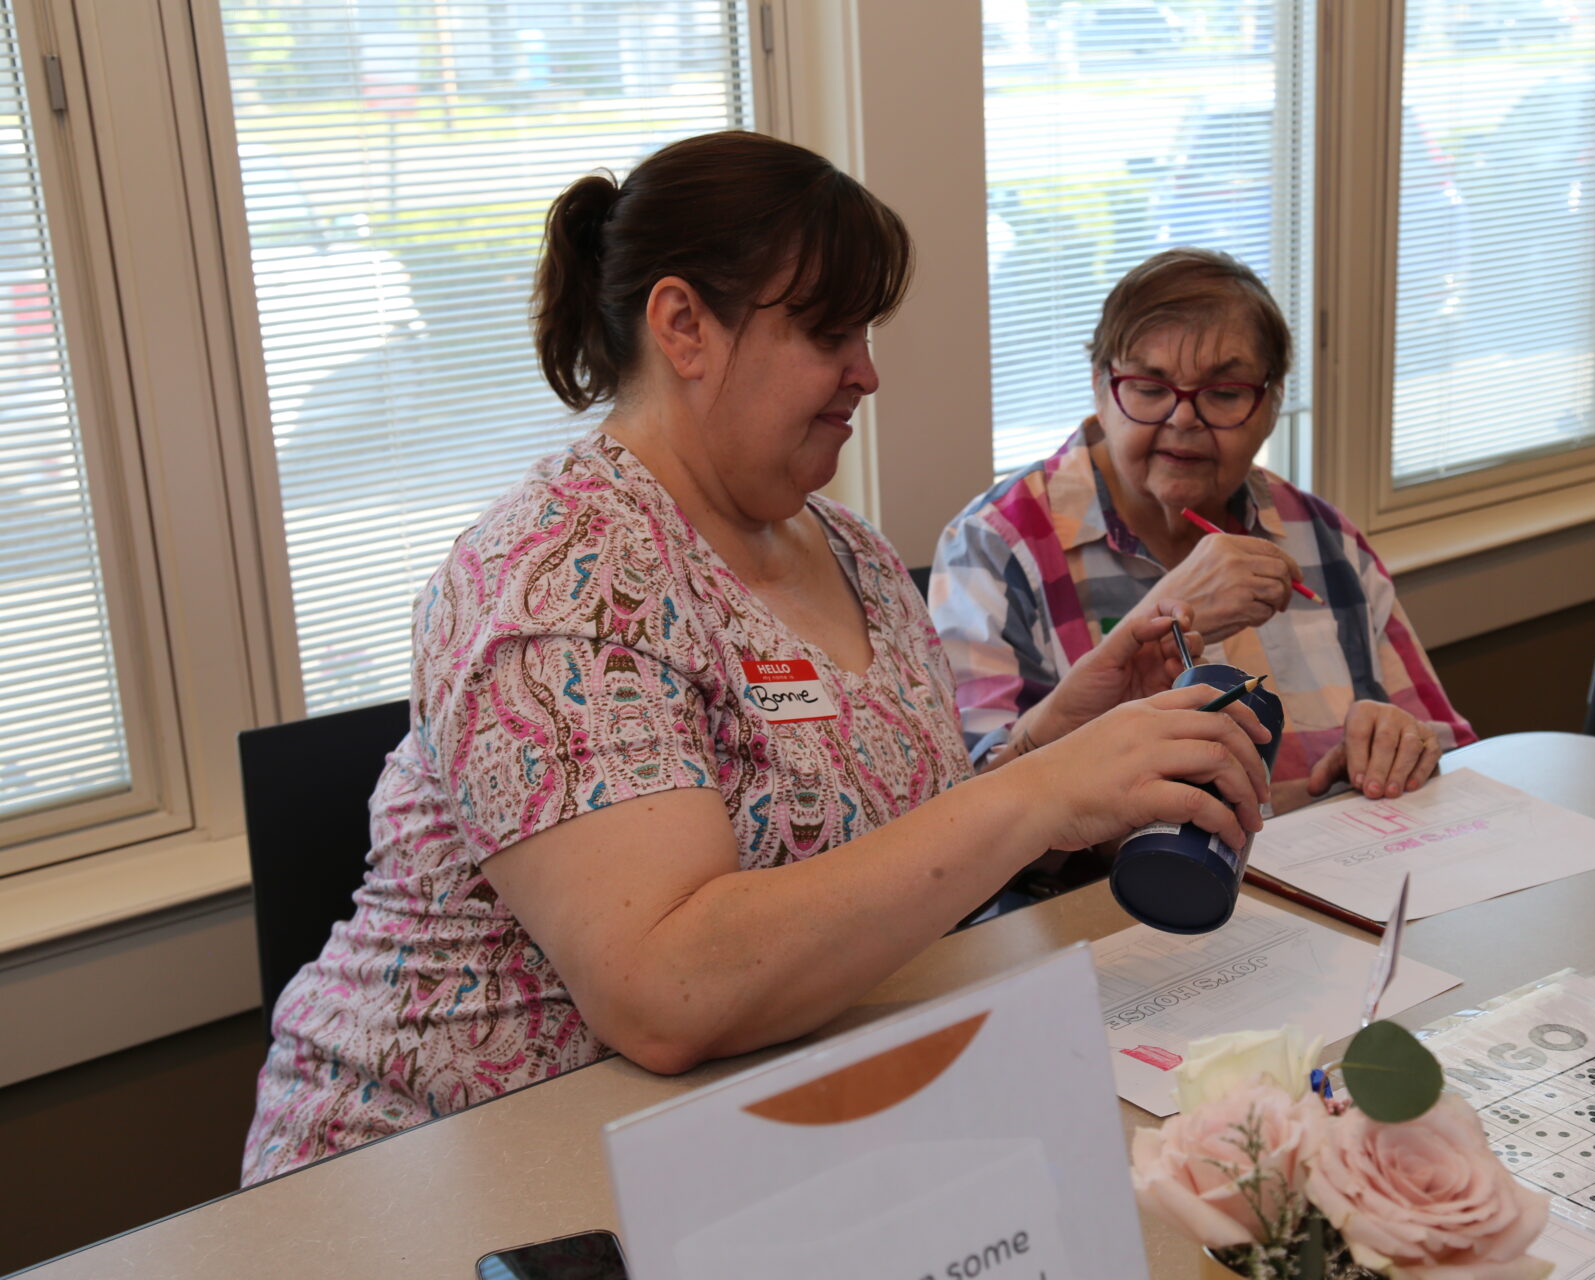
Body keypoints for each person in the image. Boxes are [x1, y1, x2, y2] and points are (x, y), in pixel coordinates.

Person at [241, 134, 1272, 1183]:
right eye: (830, 329)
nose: (866, 370)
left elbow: (884, 868)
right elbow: (666, 986)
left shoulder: (850, 551)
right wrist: (1044, 794)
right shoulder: (555, 575)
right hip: (441, 1167)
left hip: (745, 1132)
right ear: (684, 324)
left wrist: (1059, 741)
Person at [931, 249, 1473, 817]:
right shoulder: (994, 547)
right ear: (1100, 387)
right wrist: (1172, 611)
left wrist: (1402, 745)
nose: (1183, 419)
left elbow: (1449, 751)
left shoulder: (1322, 536)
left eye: (1224, 393)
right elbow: (976, 810)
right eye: (1149, 387)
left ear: (1272, 403)